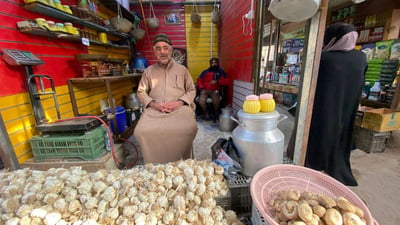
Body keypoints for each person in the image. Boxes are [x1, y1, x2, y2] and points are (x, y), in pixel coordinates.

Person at [305, 22, 368, 186]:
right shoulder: (361, 57)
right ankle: (336, 165)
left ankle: (315, 164)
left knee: (319, 134)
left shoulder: (323, 58)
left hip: (323, 105)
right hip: (348, 105)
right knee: (341, 133)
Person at [134, 33, 198, 164]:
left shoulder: (182, 70)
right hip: (155, 109)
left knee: (188, 128)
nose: (162, 52)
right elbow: (141, 92)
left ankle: (183, 163)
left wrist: (179, 103)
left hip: (179, 108)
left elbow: (192, 90)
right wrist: (154, 105)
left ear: (171, 50)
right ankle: (155, 165)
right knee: (141, 131)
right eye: (158, 48)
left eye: (165, 48)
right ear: (154, 52)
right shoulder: (148, 71)